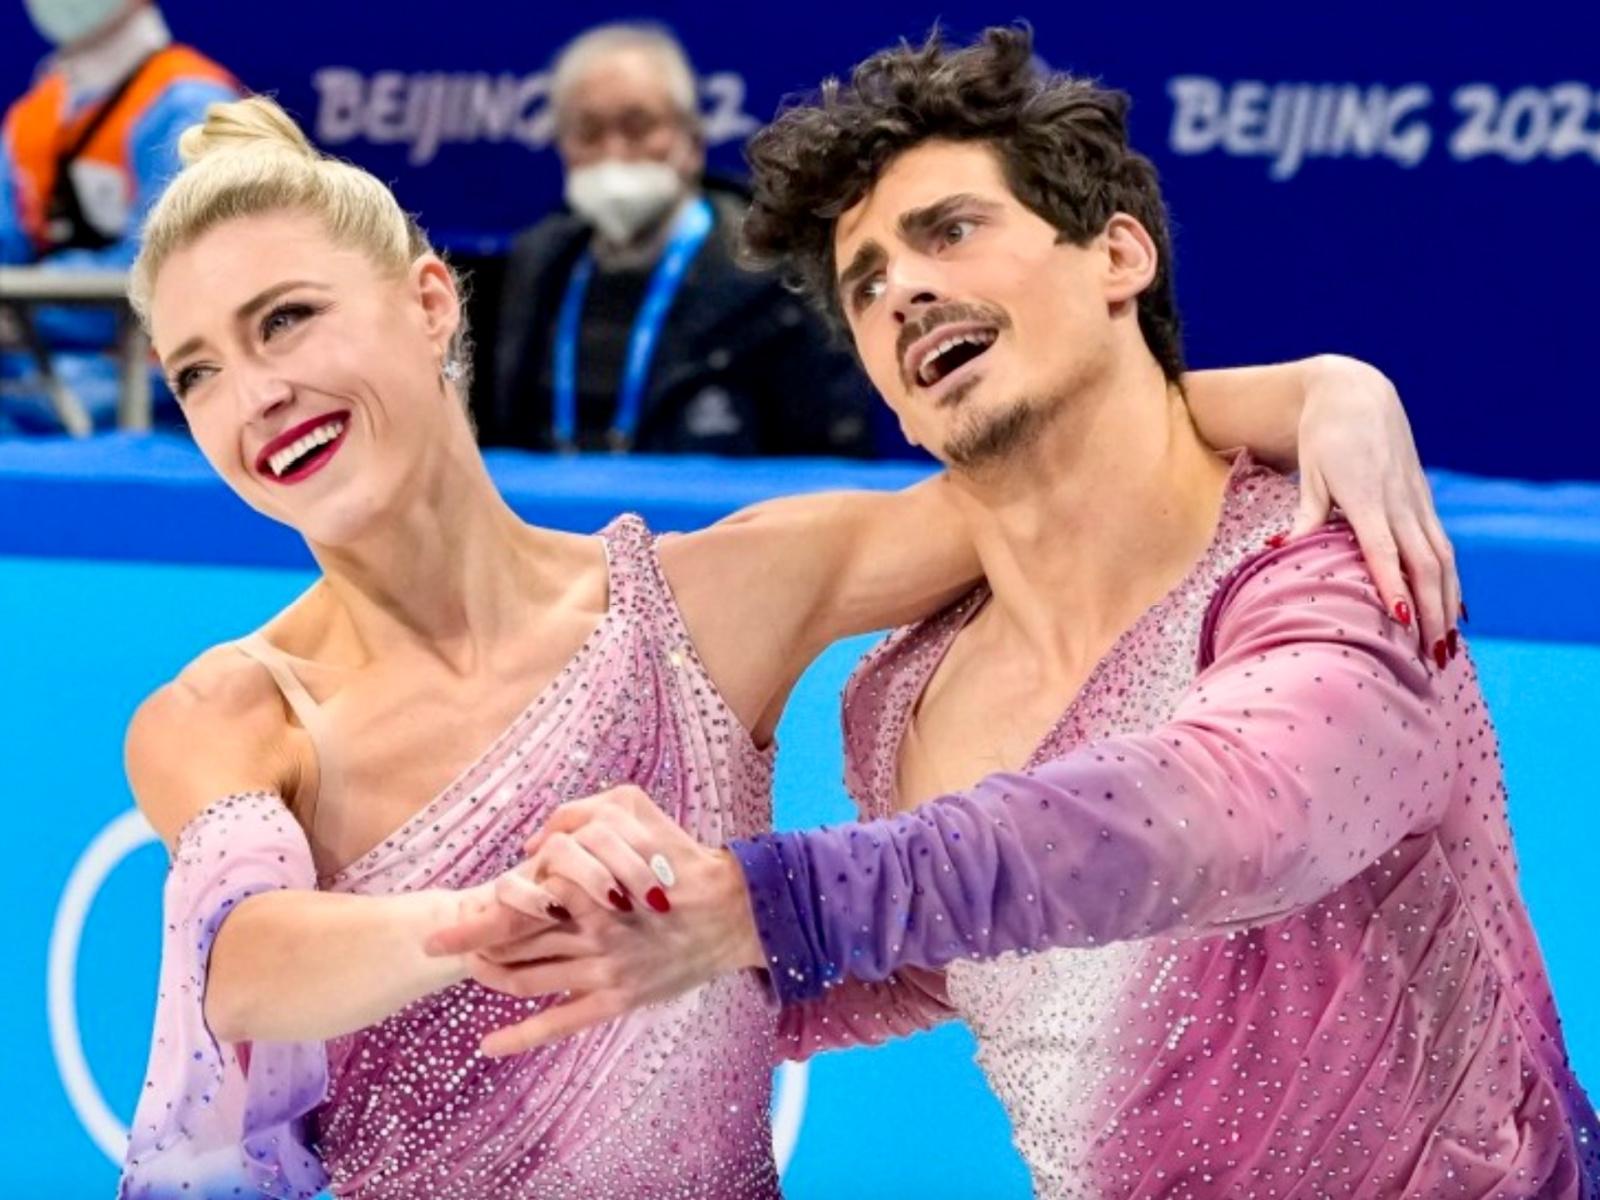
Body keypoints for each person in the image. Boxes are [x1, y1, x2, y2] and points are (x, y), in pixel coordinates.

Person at [119, 93, 1455, 1199]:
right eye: (198, 372)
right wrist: (482, 920)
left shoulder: (707, 606)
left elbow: (1055, 462)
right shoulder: (236, 711)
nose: (255, 397)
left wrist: (1318, 386)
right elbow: (241, 967)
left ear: (427, 302)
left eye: (284, 321)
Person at [445, 28, 1600, 1199]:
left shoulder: (1326, 563)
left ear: (1118, 255)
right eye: (868, 284)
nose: (904, 291)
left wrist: (765, 899)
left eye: (948, 230)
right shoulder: (901, 694)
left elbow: (1225, 818)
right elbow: (958, 953)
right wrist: (641, 945)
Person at [490, 22, 874, 457]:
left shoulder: (776, 275)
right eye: (589, 132)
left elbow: (829, 464)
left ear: (691, 140)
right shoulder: (538, 266)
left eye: (638, 127)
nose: (614, 152)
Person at [0, 0, 238, 432]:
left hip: (156, 393)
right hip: (33, 372)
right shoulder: (33, 116)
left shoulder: (192, 105)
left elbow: (169, 265)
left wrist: (25, 310)